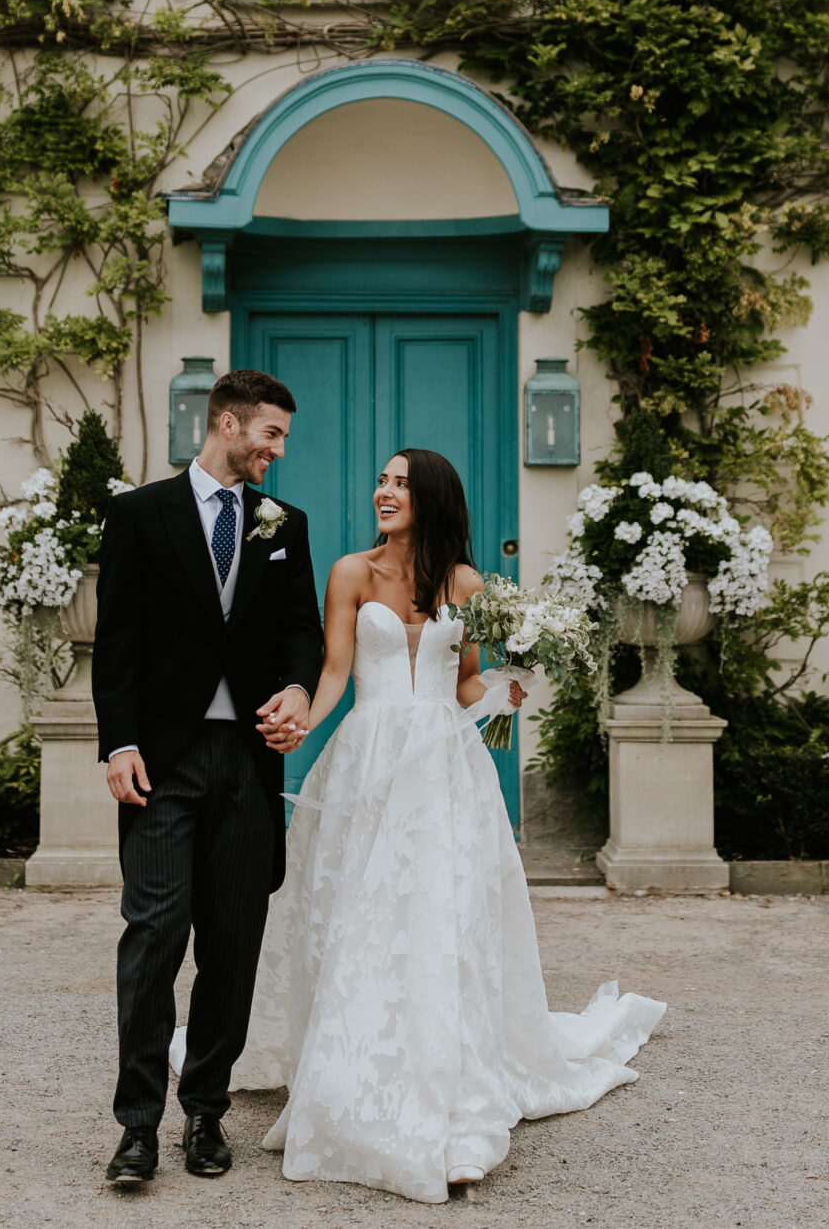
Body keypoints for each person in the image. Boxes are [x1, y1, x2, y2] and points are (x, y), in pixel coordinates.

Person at [228, 446, 664, 1203]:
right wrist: (302, 717)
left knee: (439, 915)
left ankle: (450, 1082)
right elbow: (334, 670)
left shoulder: (466, 583)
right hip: (368, 756)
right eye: (382, 481)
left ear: (430, 497)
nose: (383, 492)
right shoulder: (350, 572)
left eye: (400, 483)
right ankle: (351, 1065)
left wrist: (506, 683)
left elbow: (466, 680)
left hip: (444, 767)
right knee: (359, 914)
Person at [92, 367, 325, 1186]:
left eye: (283, 438)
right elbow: (114, 640)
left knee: (232, 944)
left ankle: (207, 1114)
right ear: (227, 423)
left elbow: (303, 632)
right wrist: (118, 744)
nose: (278, 450)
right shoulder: (137, 514)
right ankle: (136, 1127)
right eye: (271, 433)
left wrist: (297, 689)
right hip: (163, 761)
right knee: (152, 938)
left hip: (250, 763)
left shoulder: (285, 523)